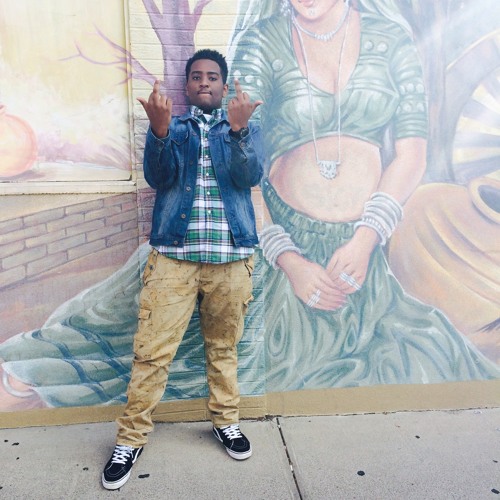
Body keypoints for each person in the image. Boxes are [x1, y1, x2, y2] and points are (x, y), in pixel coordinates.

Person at [228, 0, 500, 390]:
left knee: (418, 359)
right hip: (281, 249)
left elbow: (412, 154)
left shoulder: (391, 39)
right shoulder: (260, 42)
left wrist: (365, 239)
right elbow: (238, 165)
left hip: (363, 254)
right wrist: (288, 259)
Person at [101, 48, 264, 490]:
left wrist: (239, 130)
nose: (204, 82)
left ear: (224, 85)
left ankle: (225, 422)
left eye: (212, 76)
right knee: (152, 353)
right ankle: (130, 439)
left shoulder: (245, 126)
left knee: (224, 348)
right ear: (187, 86)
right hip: (174, 259)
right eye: (196, 76)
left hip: (231, 259)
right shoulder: (173, 127)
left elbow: (249, 176)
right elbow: (160, 177)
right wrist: (158, 132)